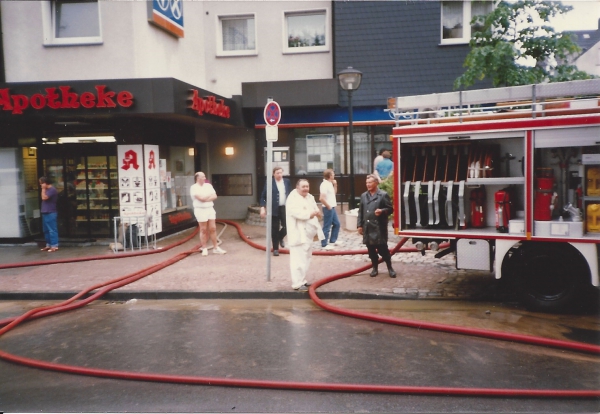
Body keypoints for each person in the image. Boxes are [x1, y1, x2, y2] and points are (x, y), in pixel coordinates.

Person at [286, 179, 324, 291]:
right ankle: (297, 283)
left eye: (307, 186)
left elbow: (315, 208)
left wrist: (317, 212)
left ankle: (302, 280)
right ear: (297, 187)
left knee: (306, 257)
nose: (306, 189)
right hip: (298, 234)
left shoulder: (310, 197)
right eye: (303, 187)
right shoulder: (292, 198)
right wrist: (310, 214)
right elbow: (296, 213)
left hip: (308, 234)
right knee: (298, 259)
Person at [357, 174, 396, 278]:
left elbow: (390, 209)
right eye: (367, 183)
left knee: (383, 250)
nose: (368, 185)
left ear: (376, 183)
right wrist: (359, 225)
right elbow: (360, 211)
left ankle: (390, 268)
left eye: (370, 182)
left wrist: (382, 211)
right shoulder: (364, 196)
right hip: (368, 228)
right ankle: (375, 268)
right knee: (371, 251)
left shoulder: (383, 195)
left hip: (379, 228)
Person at [190, 171, 226, 256]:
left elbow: (215, 196)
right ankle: (204, 248)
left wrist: (205, 198)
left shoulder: (208, 186)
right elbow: (201, 198)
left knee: (213, 228)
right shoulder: (193, 187)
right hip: (200, 209)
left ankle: (216, 248)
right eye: (203, 177)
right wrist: (208, 196)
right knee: (203, 229)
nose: (205, 178)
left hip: (210, 209)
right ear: (198, 178)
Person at [260, 166, 292, 256]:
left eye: (281, 172)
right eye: (277, 173)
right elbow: (263, 196)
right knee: (274, 229)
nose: (279, 175)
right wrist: (263, 207)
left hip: (285, 208)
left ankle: (280, 237)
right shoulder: (269, 183)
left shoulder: (287, 182)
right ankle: (275, 249)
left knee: (287, 226)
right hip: (273, 208)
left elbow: (291, 194)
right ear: (273, 174)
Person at [319, 169, 341, 250]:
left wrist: (335, 185)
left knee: (337, 224)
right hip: (328, 208)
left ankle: (333, 240)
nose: (334, 175)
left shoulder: (329, 184)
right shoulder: (324, 184)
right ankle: (324, 244)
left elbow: (334, 193)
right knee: (327, 226)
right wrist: (328, 206)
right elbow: (321, 198)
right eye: (333, 174)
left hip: (332, 207)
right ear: (330, 176)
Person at [39, 176, 59, 252]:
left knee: (52, 229)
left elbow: (44, 198)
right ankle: (48, 244)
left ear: (45, 183)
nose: (40, 185)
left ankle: (54, 245)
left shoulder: (52, 190)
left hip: (51, 212)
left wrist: (43, 189)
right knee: (46, 230)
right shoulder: (47, 189)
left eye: (41, 183)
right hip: (45, 211)